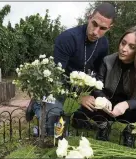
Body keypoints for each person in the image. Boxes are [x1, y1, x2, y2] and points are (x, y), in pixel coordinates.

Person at [25, 2, 116, 136]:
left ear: (110, 27)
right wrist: (80, 97)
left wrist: (97, 96)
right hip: (57, 84)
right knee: (53, 130)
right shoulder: (67, 38)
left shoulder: (103, 44)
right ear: (89, 17)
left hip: (79, 85)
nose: (96, 32)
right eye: (94, 24)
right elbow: (56, 76)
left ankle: (75, 116)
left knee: (80, 113)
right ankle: (37, 104)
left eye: (102, 28)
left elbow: (96, 73)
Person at [72, 25, 136, 147]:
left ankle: (130, 131)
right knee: (85, 109)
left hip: (131, 110)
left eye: (132, 47)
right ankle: (103, 126)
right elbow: (97, 86)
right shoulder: (107, 61)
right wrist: (102, 98)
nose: (124, 49)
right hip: (107, 108)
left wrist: (127, 104)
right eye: (123, 43)